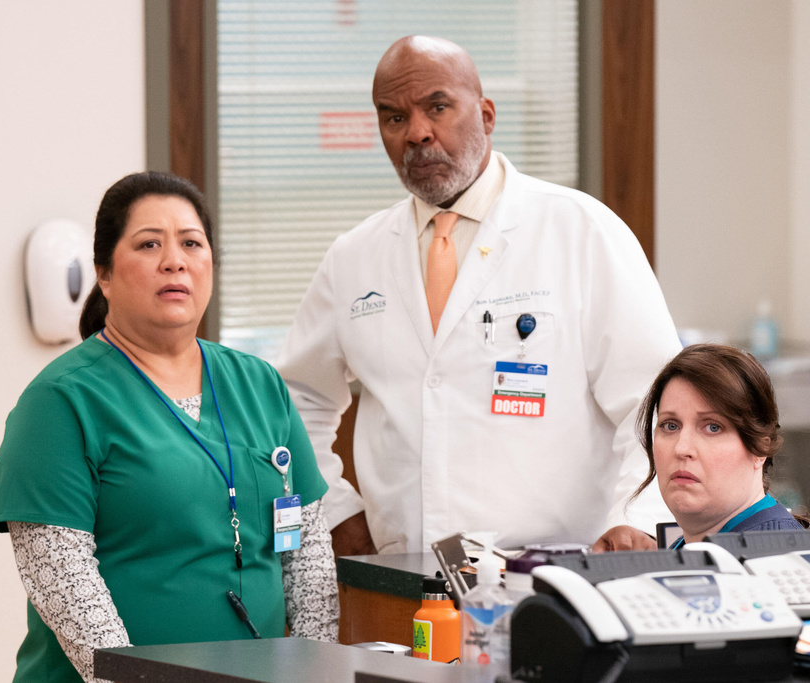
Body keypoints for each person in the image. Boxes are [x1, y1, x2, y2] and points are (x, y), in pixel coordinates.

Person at [276, 35, 682, 557]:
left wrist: (637, 521)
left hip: (557, 573)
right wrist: (335, 513)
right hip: (405, 578)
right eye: (394, 117)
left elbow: (656, 400)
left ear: (486, 115)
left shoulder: (581, 230)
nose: (417, 133)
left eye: (437, 107)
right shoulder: (355, 256)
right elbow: (295, 402)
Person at [0, 171, 338, 683]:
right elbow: (64, 583)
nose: (174, 260)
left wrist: (312, 668)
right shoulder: (61, 402)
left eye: (191, 243)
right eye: (149, 243)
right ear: (104, 274)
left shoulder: (260, 384)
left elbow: (308, 554)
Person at [630, 344, 805, 548]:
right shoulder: (695, 546)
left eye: (713, 427)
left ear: (760, 448)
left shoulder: (770, 556)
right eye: (670, 426)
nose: (682, 449)